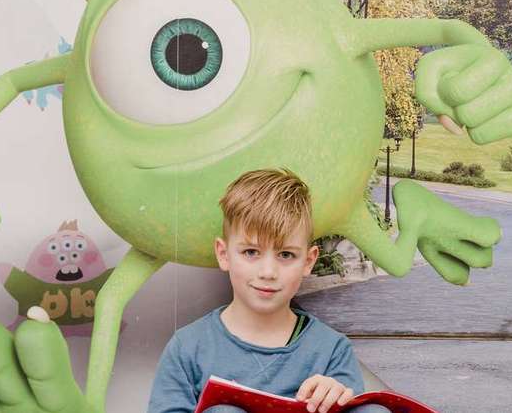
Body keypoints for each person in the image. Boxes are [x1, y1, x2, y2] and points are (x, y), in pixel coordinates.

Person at [148, 169, 391, 413]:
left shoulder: (332, 350)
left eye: (285, 254)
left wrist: (335, 399)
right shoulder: (187, 348)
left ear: (308, 261)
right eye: (251, 252)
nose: (268, 272)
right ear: (224, 254)